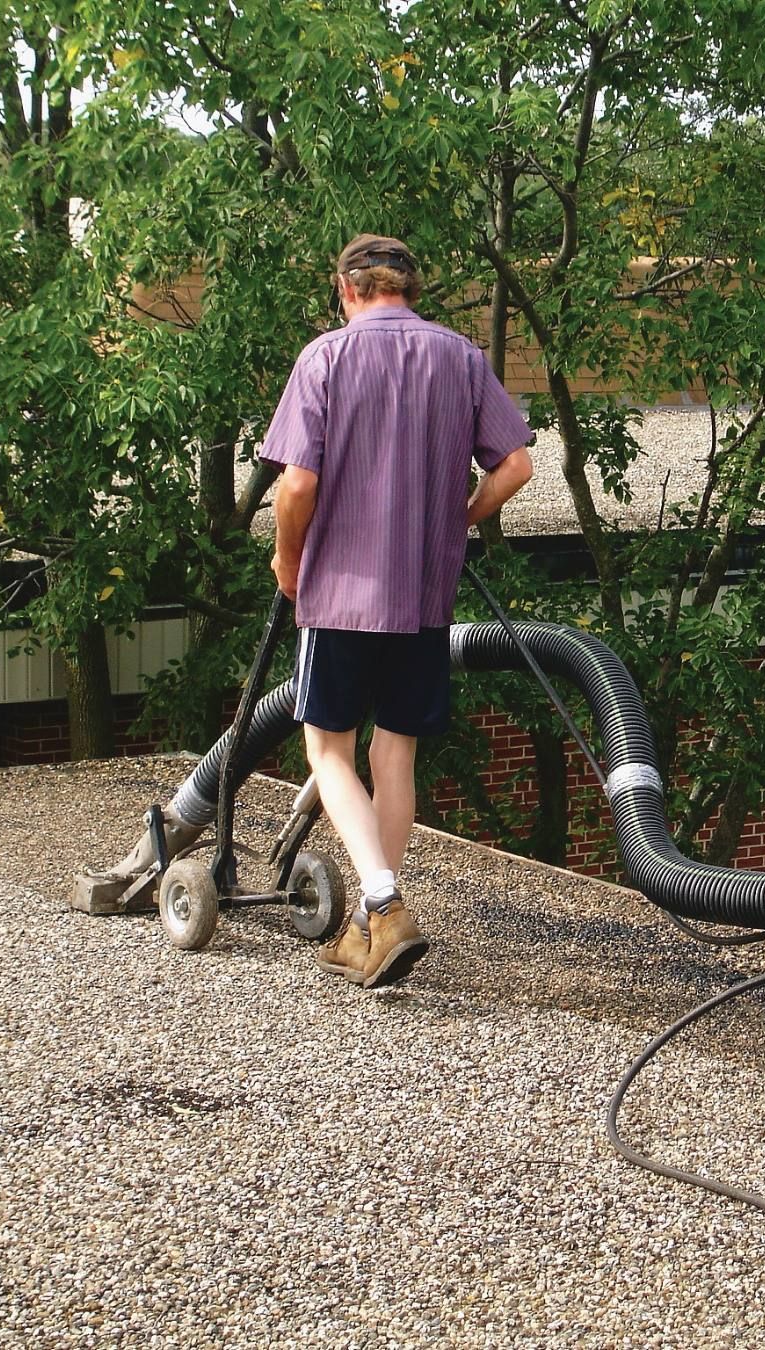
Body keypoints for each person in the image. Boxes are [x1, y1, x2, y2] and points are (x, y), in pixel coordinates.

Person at [260, 232, 534, 988]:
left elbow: (298, 486)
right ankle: (361, 932)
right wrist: (465, 515)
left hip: (342, 591)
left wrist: (288, 557)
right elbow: (516, 464)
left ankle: (383, 903)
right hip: (423, 594)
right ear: (413, 290)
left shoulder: (326, 356)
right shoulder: (461, 358)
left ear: (346, 291)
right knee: (396, 755)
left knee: (327, 751)